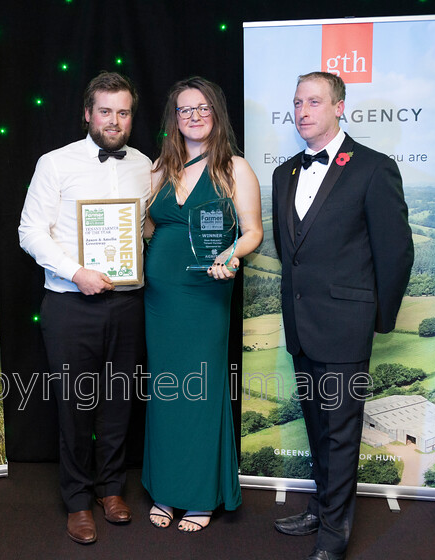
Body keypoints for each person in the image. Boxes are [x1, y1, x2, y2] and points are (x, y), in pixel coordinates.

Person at [270, 71, 414, 560]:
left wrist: (375, 319)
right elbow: (293, 253)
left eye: (314, 101)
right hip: (300, 327)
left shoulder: (373, 167)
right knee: (316, 425)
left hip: (346, 328)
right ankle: (320, 509)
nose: (303, 111)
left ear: (339, 108)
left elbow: (396, 254)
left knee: (341, 432)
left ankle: (334, 535)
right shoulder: (283, 171)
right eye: (297, 102)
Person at [18, 71, 152, 545]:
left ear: (131, 116)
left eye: (123, 112)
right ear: (87, 114)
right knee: (74, 406)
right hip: (70, 304)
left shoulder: (145, 165)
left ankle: (110, 489)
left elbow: (148, 227)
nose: (114, 120)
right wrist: (77, 272)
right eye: (105, 111)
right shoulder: (55, 163)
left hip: (128, 303)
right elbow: (30, 231)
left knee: (118, 403)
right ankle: (77, 499)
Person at [142, 77, 263, 533]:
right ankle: (165, 489)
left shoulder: (235, 167)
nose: (193, 116)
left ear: (217, 115)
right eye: (184, 109)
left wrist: (230, 256)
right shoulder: (161, 166)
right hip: (159, 297)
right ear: (175, 119)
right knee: (166, 388)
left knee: (201, 386)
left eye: (203, 108)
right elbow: (150, 226)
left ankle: (199, 495)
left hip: (206, 293)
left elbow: (252, 232)